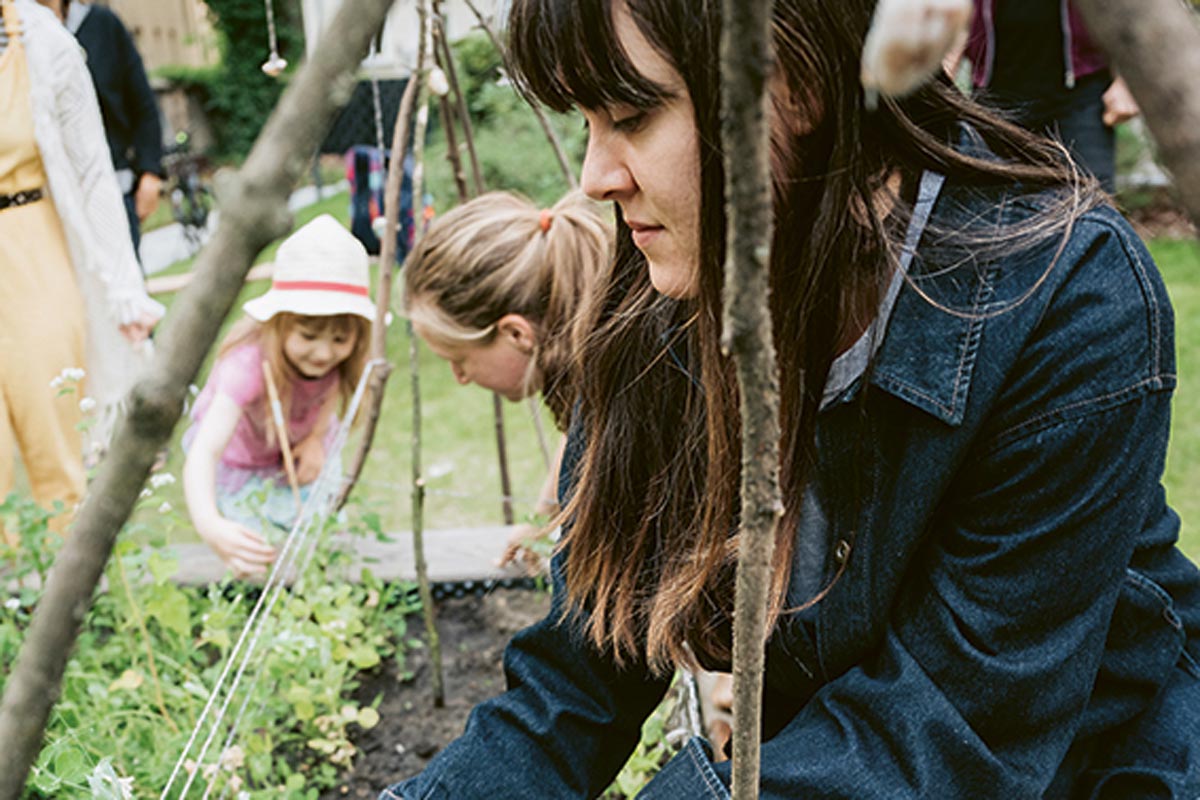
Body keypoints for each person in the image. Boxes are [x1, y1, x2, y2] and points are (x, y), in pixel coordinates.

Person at [382, 0, 1200, 798]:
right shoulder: (656, 301)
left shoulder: (1061, 300)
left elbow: (947, 729)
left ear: (798, 86)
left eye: (632, 115)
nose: (596, 176)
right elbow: (577, 682)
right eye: (586, 123)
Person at [0, 0, 161, 536]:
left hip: (30, 239)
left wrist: (124, 287)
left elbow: (92, 172)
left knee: (56, 432)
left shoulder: (43, 41)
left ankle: (68, 601)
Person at [402, 189, 612, 568]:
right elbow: (579, 431)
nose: (459, 378)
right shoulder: (587, 366)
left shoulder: (627, 397)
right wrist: (542, 518)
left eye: (459, 359)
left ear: (516, 334)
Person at [183, 215, 373, 578]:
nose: (323, 354)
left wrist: (316, 440)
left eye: (339, 339)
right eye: (308, 336)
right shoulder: (247, 367)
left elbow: (328, 396)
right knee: (256, 552)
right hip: (243, 464)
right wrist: (210, 526)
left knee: (319, 533)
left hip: (293, 450)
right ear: (278, 323)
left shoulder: (336, 364)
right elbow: (204, 452)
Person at [961, 0, 1140, 193]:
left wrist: (1128, 81)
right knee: (987, 208)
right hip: (992, 102)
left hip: (1080, 96)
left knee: (1093, 202)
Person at [56, 0, 166, 259]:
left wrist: (150, 173)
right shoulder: (18, 38)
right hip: (55, 198)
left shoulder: (102, 25)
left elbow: (143, 105)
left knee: (125, 286)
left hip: (115, 186)